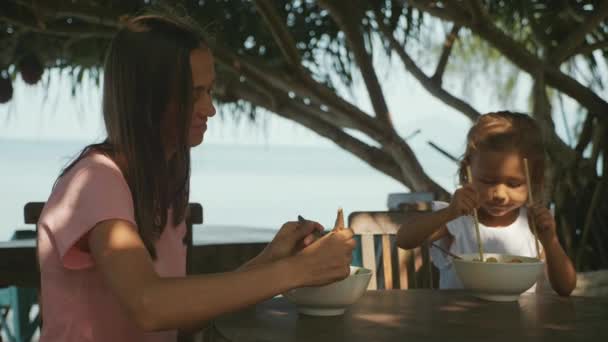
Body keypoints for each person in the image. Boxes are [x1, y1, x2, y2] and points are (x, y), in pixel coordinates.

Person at [36, 11, 355, 341]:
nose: (210, 108)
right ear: (146, 96)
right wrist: (297, 271)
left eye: (209, 91)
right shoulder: (96, 180)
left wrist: (269, 260)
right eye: (193, 93)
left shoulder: (162, 184)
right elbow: (150, 306)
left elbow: (178, 316)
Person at [396, 111, 576, 296]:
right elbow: (404, 240)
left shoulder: (533, 224)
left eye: (513, 184)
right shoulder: (458, 219)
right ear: (468, 171)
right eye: (488, 181)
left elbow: (565, 287)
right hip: (457, 322)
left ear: (534, 180)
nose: (499, 194)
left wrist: (551, 241)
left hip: (519, 322)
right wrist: (448, 213)